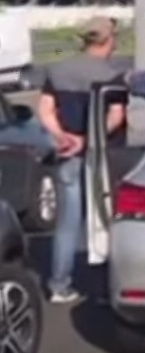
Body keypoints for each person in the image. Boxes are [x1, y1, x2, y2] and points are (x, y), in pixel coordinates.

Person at [36, 16, 127, 303]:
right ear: (108, 40)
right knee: (105, 219)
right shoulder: (112, 74)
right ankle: (104, 288)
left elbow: (45, 109)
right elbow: (115, 116)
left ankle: (59, 284)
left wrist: (62, 136)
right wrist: (88, 140)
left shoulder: (57, 69)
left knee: (67, 222)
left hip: (67, 153)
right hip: (101, 155)